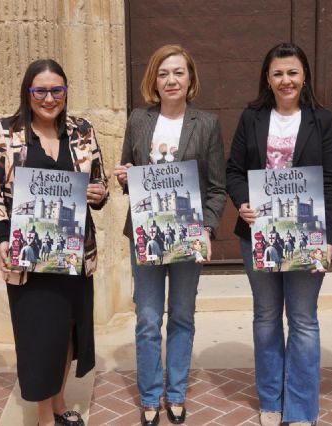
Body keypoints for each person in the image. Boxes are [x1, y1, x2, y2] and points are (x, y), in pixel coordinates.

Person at [0, 59, 108, 426]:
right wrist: (3, 237)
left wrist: (99, 193)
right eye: (40, 91)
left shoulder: (82, 131)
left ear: (65, 92)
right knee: (37, 336)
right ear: (28, 92)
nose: (49, 99)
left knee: (67, 331)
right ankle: (43, 416)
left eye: (56, 90)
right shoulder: (7, 132)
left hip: (73, 254)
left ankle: (59, 400)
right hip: (27, 255)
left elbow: (99, 183)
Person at [225, 42, 332, 426]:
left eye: (292, 72)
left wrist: (329, 238)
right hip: (257, 234)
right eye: (278, 73)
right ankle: (271, 400)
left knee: (304, 320)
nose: (285, 80)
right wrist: (242, 201)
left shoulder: (322, 120)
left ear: (304, 76)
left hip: (308, 234)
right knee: (266, 317)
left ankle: (302, 407)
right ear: (267, 78)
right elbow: (233, 171)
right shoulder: (252, 117)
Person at [114, 44, 226, 426]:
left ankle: (175, 393)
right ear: (154, 81)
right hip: (146, 233)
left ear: (190, 78)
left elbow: (216, 187)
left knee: (181, 315)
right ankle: (150, 396)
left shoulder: (206, 124)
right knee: (148, 319)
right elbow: (129, 172)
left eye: (178, 72)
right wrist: (125, 176)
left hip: (188, 235)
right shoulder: (139, 120)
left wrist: (208, 228)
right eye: (163, 73)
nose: (171, 80)